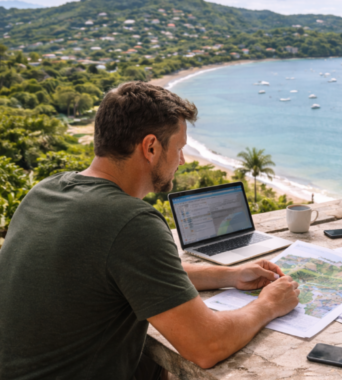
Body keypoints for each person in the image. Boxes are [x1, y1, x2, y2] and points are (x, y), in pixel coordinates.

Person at [0, 82, 300, 380]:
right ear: (151, 147)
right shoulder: (131, 221)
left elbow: (123, 271)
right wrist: (268, 305)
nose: (182, 160)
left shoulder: (45, 191)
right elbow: (207, 345)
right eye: (180, 148)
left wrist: (228, 276)